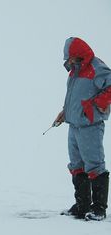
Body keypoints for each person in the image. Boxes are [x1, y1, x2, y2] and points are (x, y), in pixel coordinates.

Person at [55, 37, 111, 221]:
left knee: (94, 165)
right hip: (74, 125)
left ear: (79, 55)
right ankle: (82, 205)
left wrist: (97, 104)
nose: (68, 62)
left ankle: (99, 209)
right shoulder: (75, 71)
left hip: (90, 127)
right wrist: (65, 112)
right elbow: (74, 96)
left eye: (70, 58)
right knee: (77, 166)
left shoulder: (96, 67)